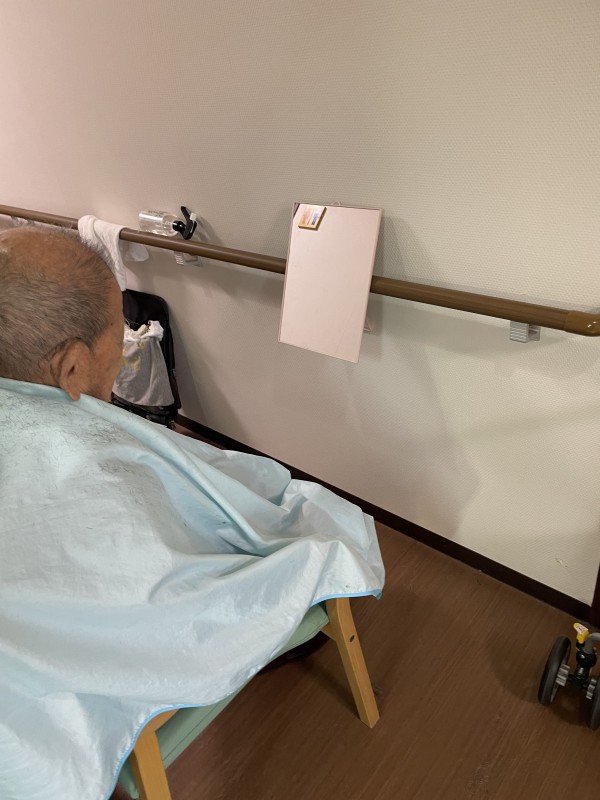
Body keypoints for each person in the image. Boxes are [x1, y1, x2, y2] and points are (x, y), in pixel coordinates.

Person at [0, 226, 383, 800]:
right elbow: (170, 590)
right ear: (73, 367)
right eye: (119, 335)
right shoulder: (87, 474)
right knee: (318, 537)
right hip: (126, 653)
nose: (123, 350)